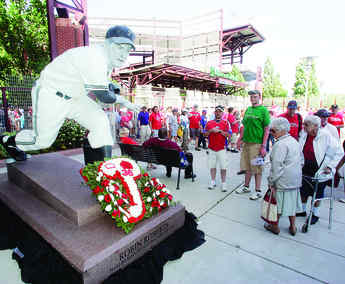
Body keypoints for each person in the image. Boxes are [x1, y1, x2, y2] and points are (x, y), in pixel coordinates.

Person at [0, 25, 140, 163]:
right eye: (120, 47)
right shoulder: (94, 57)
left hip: (76, 97)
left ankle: (102, 172)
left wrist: (110, 85)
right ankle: (8, 141)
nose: (124, 54)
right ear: (107, 44)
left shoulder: (106, 61)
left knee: (100, 122)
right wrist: (125, 101)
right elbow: (104, 96)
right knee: (42, 141)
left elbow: (101, 86)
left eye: (127, 50)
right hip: (51, 94)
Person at [297, 115, 343, 225]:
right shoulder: (304, 134)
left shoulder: (326, 136)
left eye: (306, 125)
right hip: (305, 168)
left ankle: (315, 214)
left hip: (320, 169)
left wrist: (330, 166)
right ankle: (302, 211)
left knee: (316, 195)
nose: (304, 126)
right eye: (304, 124)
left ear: (316, 126)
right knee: (303, 192)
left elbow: (340, 151)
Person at [265, 117, 303, 236]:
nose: (271, 133)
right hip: (295, 179)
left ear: (282, 130)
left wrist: (271, 181)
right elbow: (302, 160)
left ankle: (274, 226)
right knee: (292, 203)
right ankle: (292, 226)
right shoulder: (294, 141)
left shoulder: (280, 145)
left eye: (273, 131)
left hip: (283, 180)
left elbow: (277, 166)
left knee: (278, 205)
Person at [236, 90, 270, 200]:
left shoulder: (263, 110)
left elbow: (267, 129)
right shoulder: (248, 109)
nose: (252, 99)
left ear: (259, 97)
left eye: (255, 96)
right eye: (251, 97)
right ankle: (246, 187)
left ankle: (258, 190)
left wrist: (264, 146)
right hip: (247, 143)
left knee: (257, 168)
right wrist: (240, 139)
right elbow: (244, 126)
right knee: (247, 166)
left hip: (257, 144)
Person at [204, 105, 230, 192]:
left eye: (220, 111)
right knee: (212, 166)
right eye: (216, 111)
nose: (218, 113)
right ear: (214, 112)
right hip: (211, 148)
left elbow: (228, 135)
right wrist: (211, 130)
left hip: (222, 148)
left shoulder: (226, 123)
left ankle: (223, 183)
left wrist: (220, 131)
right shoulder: (209, 123)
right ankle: (213, 181)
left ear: (222, 113)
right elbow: (204, 134)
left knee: (223, 167)